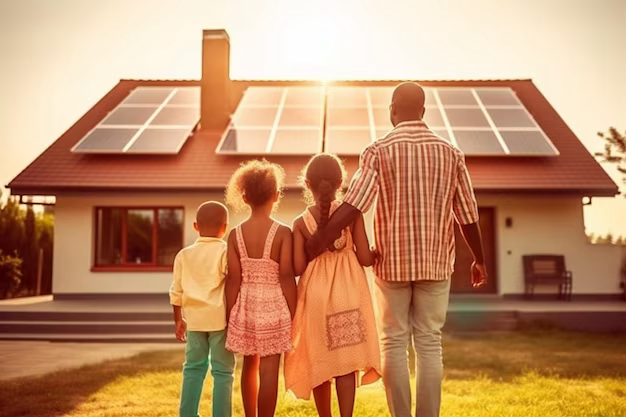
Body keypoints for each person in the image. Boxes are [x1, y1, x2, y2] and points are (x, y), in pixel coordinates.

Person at [305, 82, 488, 417]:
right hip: (435, 264)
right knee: (430, 343)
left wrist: (321, 236)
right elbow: (467, 215)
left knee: (394, 342)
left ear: (392, 110)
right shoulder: (451, 153)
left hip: (392, 265)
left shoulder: (378, 150)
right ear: (423, 111)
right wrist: (479, 258)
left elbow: (354, 204)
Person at [285, 153, 381, 417]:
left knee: (321, 359)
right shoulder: (352, 215)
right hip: (349, 294)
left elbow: (297, 267)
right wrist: (375, 252)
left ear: (307, 184)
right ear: (340, 183)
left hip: (315, 296)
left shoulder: (300, 222)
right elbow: (364, 258)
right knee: (346, 362)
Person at [224, 159, 297, 417]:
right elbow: (287, 276)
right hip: (274, 305)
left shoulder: (234, 234)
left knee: (249, 366)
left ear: (244, 197)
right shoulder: (283, 232)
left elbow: (233, 279)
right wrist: (294, 310)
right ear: (276, 196)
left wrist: (229, 312)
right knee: (269, 370)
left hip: (246, 305)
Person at [169, 201, 235, 417]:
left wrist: (179, 320)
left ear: (196, 226)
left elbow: (176, 291)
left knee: (193, 369)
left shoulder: (183, 255)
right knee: (223, 372)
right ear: (225, 227)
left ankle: (187, 414)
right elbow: (234, 282)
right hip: (220, 321)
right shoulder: (225, 251)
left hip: (195, 322)